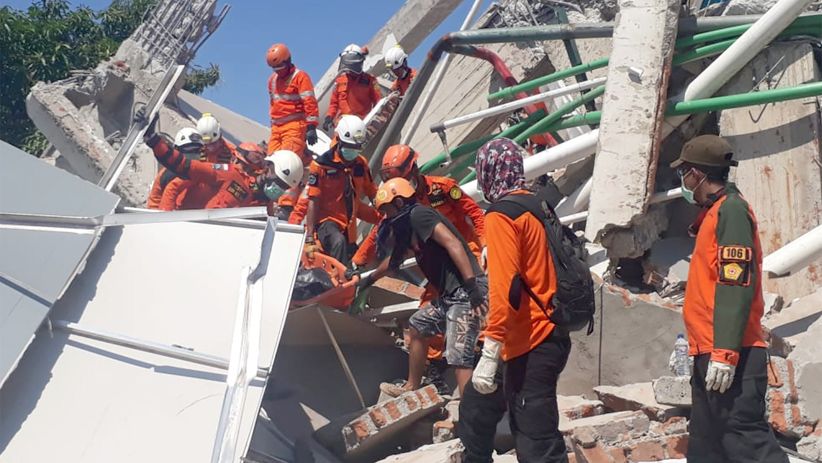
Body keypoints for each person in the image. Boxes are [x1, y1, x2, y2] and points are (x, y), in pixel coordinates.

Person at [670, 135, 787, 463]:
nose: (684, 181)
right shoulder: (714, 213)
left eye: (684, 173)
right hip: (709, 349)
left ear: (697, 174)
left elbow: (735, 285)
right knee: (707, 446)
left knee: (745, 441)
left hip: (732, 352)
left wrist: (725, 354)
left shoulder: (731, 211)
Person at [469, 138, 571, 463]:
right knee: (497, 418)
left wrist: (490, 349)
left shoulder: (501, 216)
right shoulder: (536, 205)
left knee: (537, 444)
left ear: (488, 172)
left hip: (531, 339)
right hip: (551, 331)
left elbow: (505, 288)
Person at [362, 177, 487, 398]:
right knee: (418, 325)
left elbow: (453, 243)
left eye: (387, 210)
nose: (386, 216)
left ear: (399, 202)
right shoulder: (407, 227)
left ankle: (469, 409)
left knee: (459, 356)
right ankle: (412, 386)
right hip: (450, 295)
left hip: (465, 291)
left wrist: (472, 287)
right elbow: (394, 261)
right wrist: (368, 279)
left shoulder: (419, 215)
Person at [136, 109, 303, 211]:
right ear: (269, 169)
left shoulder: (262, 205)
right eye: (279, 182)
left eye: (283, 187)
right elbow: (185, 166)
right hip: (186, 225)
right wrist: (154, 140)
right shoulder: (229, 174)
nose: (279, 190)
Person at [351, 144, 486, 268]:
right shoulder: (400, 202)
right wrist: (357, 261)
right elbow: (381, 229)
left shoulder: (443, 187)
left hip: (467, 250)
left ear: (414, 169)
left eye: (404, 182)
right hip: (439, 263)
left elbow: (474, 212)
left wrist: (485, 244)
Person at [303, 115, 379, 266]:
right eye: (350, 147)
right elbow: (313, 200)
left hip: (350, 225)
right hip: (327, 223)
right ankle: (338, 279)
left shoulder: (360, 164)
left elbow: (372, 191)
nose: (353, 151)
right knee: (338, 242)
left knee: (387, 221)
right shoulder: (321, 166)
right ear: (339, 140)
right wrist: (309, 237)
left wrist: (386, 209)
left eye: (357, 148)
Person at [265, 43, 319, 158]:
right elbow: (273, 104)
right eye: (274, 68)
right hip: (276, 129)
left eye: (279, 66)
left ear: (288, 61)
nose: (277, 71)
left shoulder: (300, 77)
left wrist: (311, 127)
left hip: (294, 127)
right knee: (272, 163)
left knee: (287, 161)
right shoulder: (272, 80)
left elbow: (309, 102)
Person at [323, 44, 381, 132]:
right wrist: (329, 117)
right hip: (343, 125)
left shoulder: (370, 81)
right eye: (348, 66)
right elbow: (333, 104)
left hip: (362, 125)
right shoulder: (339, 82)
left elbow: (378, 102)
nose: (350, 69)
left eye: (353, 66)